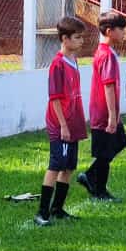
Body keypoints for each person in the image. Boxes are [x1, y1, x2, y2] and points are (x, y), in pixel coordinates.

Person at [35, 16, 87, 226]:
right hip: (60, 124)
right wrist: (63, 125)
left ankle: (57, 208)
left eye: (82, 37)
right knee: (56, 165)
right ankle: (42, 212)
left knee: (69, 167)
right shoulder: (57, 65)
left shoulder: (73, 60)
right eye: (77, 37)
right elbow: (55, 98)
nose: (81, 41)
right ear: (65, 39)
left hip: (73, 122)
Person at [79, 10, 126, 201]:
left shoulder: (107, 52)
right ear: (109, 31)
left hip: (106, 110)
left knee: (119, 142)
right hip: (103, 111)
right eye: (121, 29)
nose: (124, 33)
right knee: (106, 150)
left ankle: (90, 176)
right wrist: (112, 116)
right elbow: (108, 86)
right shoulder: (106, 54)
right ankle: (99, 190)